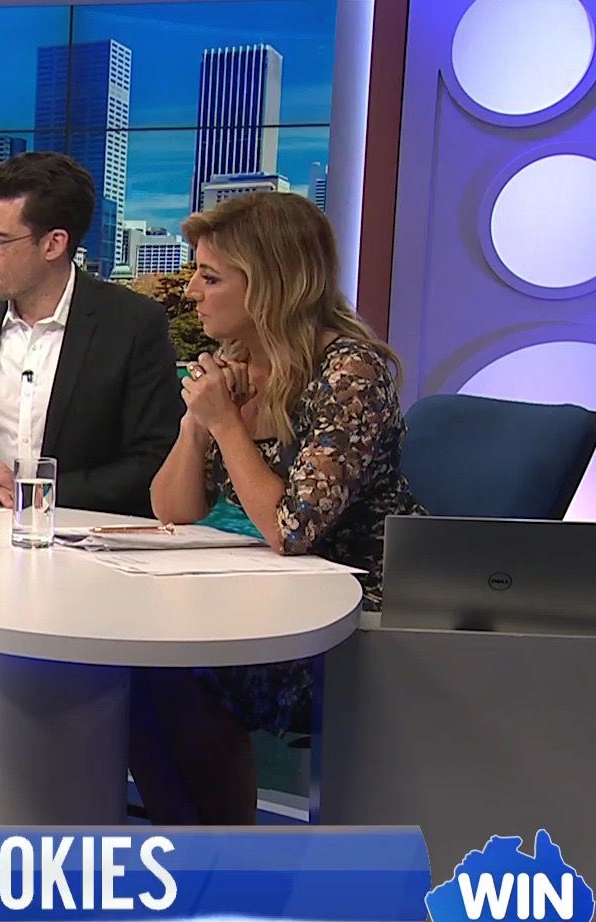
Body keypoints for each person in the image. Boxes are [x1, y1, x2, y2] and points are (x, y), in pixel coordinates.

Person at [133, 190, 422, 825]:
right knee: (141, 668)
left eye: (210, 278)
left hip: (362, 611)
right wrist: (196, 424)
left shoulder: (350, 373)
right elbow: (173, 509)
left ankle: (224, 854)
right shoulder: (238, 364)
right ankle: (196, 853)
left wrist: (226, 426)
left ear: (270, 285)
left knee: (185, 674)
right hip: (288, 592)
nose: (191, 292)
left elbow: (294, 530)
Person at [0, 152, 182, 516]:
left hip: (89, 537)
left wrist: (34, 492)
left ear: (54, 244)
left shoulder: (133, 324)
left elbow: (154, 457)